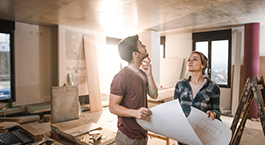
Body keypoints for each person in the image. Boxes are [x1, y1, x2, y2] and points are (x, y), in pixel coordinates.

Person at [109, 34, 158, 145]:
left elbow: (154, 95)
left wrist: (149, 75)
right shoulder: (121, 77)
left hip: (142, 133)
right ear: (135, 54)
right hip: (128, 137)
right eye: (140, 44)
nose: (144, 45)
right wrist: (135, 113)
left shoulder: (142, 74)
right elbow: (112, 107)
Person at [174, 51, 221, 145]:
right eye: (189, 60)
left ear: (203, 65)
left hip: (202, 132)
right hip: (184, 132)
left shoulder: (213, 87)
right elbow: (175, 109)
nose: (190, 62)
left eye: (194, 59)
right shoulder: (180, 85)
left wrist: (213, 114)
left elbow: (217, 111)